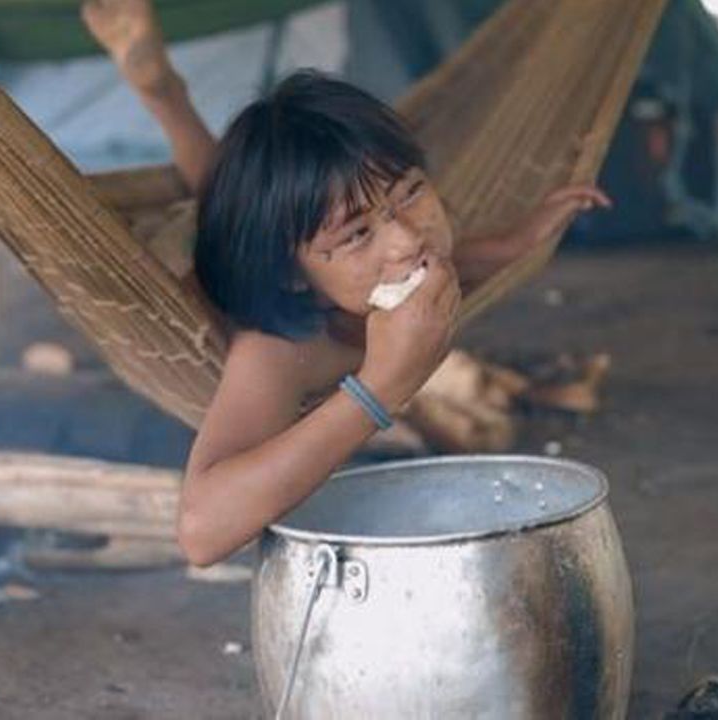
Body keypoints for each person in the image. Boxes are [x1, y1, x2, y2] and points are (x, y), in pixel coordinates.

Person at [83, 0, 611, 566]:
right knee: (215, 209)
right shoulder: (280, 350)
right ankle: (163, 93)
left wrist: (513, 244)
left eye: (411, 192)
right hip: (210, 276)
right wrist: (375, 392)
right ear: (296, 275)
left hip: (285, 241)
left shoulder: (398, 253)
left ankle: (166, 92)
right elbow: (201, 532)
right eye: (358, 235)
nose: (408, 240)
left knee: (235, 192)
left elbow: (443, 254)